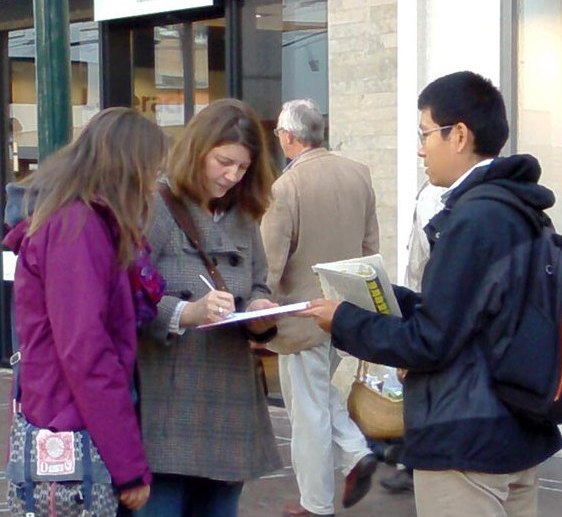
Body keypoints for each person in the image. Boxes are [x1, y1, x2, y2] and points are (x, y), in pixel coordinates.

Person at [301, 71, 562, 517]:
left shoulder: (474, 219)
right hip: (516, 434)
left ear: (458, 135)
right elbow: (474, 316)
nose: (421, 150)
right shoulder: (523, 211)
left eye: (424, 134)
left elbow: (430, 341)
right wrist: (392, 297)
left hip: (465, 442)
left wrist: (343, 320)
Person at [3, 107, 169, 514]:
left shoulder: (77, 220)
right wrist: (128, 466)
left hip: (66, 414)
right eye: (151, 171)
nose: (153, 185)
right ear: (128, 168)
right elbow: (86, 351)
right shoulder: (77, 227)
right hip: (74, 423)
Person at [134, 98, 282, 517]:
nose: (232, 176)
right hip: (169, 398)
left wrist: (260, 311)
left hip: (231, 399)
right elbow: (126, 292)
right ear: (198, 150)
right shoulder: (156, 205)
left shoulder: (244, 216)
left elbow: (257, 280)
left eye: (243, 168)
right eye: (224, 162)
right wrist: (187, 313)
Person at [261, 98, 379, 517]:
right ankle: (356, 452)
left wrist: (258, 316)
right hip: (346, 310)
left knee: (307, 410)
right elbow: (370, 248)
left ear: (287, 137)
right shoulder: (358, 174)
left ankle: (316, 502)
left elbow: (271, 263)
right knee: (317, 393)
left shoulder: (286, 187)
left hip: (300, 315)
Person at [378, 180, 445, 494]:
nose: (423, 155)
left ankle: (414, 462)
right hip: (424, 303)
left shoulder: (439, 194)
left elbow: (425, 260)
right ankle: (410, 461)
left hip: (428, 308)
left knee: (420, 390)